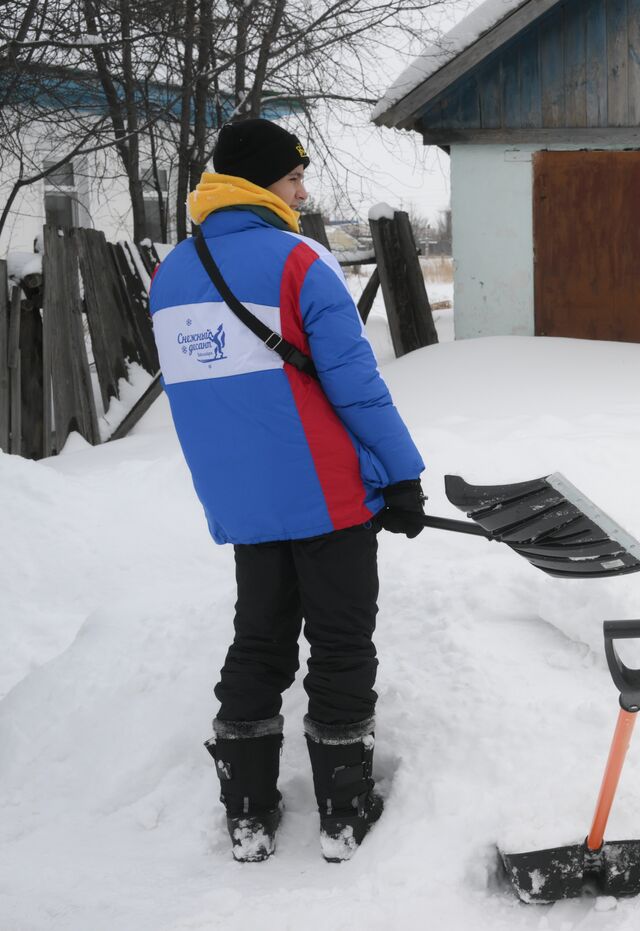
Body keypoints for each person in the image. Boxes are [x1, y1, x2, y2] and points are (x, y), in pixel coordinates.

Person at [148, 118, 428, 863]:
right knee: (340, 643)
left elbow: (202, 401)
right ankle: (341, 813)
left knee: (259, 643)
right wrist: (402, 476)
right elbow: (357, 386)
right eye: (295, 176)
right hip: (328, 496)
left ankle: (248, 813)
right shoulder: (299, 260)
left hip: (243, 504)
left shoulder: (172, 274)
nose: (304, 190)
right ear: (261, 181)